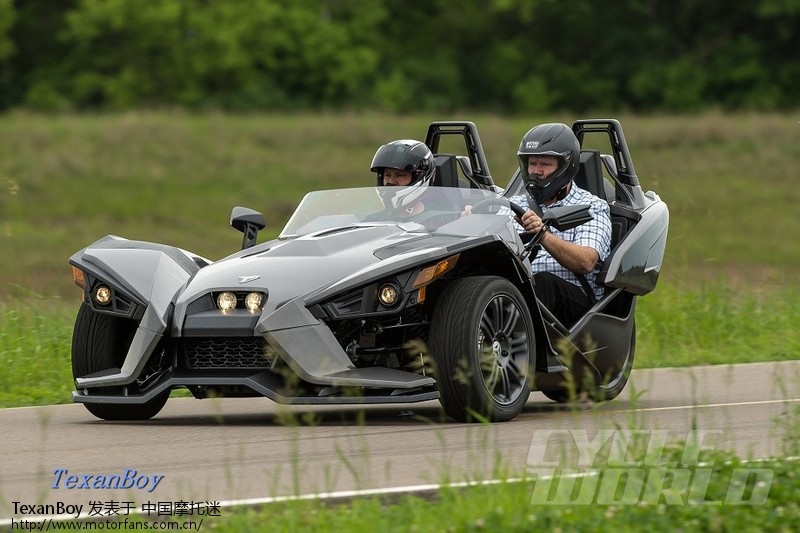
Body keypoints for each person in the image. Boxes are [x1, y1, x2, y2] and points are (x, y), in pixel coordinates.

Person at [509, 123, 612, 327]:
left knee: (543, 282)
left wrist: (543, 235)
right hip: (519, 293)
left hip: (575, 304)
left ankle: (514, 347)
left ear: (565, 167)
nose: (536, 171)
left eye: (545, 164)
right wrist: (472, 221)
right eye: (532, 163)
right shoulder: (513, 204)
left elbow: (586, 262)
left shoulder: (591, 206)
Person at [369, 139, 437, 217]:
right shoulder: (372, 221)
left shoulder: (438, 222)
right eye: (387, 175)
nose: (391, 181)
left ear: (419, 177)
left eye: (400, 175)